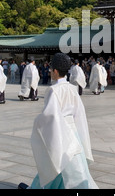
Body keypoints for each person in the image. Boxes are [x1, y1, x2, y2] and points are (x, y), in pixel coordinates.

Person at [18, 53, 98, 189]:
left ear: (55, 71)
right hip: (73, 133)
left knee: (54, 164)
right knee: (75, 168)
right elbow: (79, 114)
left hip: (61, 132)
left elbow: (51, 117)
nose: (50, 72)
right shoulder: (72, 89)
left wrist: (38, 121)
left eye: (50, 70)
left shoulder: (53, 90)